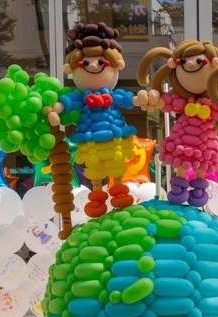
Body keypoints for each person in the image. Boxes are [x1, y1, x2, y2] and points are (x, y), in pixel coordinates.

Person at [134, 40, 218, 206]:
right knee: (181, 164)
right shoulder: (182, 101)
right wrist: (150, 100)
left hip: (204, 143)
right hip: (183, 140)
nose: (190, 64)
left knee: (200, 166)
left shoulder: (212, 105)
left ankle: (198, 191)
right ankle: (178, 189)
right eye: (183, 62)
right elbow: (164, 102)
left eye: (199, 61)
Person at [48, 22, 136, 217]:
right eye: (86, 63)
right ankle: (97, 198)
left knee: (116, 166)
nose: (94, 65)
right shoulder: (82, 98)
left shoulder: (112, 96)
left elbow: (126, 98)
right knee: (94, 169)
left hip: (114, 140)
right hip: (91, 143)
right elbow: (69, 102)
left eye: (101, 62)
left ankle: (119, 193)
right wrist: (57, 107)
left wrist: (140, 99)